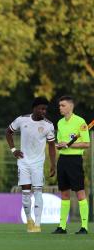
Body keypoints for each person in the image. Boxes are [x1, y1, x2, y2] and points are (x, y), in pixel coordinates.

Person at [6, 97, 56, 233]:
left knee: (38, 191)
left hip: (38, 164)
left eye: (45, 109)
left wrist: (53, 164)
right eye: (41, 108)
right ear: (34, 108)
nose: (43, 111)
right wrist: (13, 150)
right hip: (23, 162)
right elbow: (8, 132)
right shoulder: (21, 120)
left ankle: (38, 224)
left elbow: (51, 145)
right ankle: (29, 221)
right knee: (26, 193)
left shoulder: (48, 125)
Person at [53, 95, 90, 234]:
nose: (60, 108)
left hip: (75, 161)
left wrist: (70, 145)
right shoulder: (60, 123)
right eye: (59, 105)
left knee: (80, 193)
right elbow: (61, 143)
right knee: (64, 194)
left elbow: (86, 143)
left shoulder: (80, 122)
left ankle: (84, 227)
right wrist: (60, 146)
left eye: (63, 105)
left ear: (70, 106)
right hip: (62, 160)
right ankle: (62, 226)